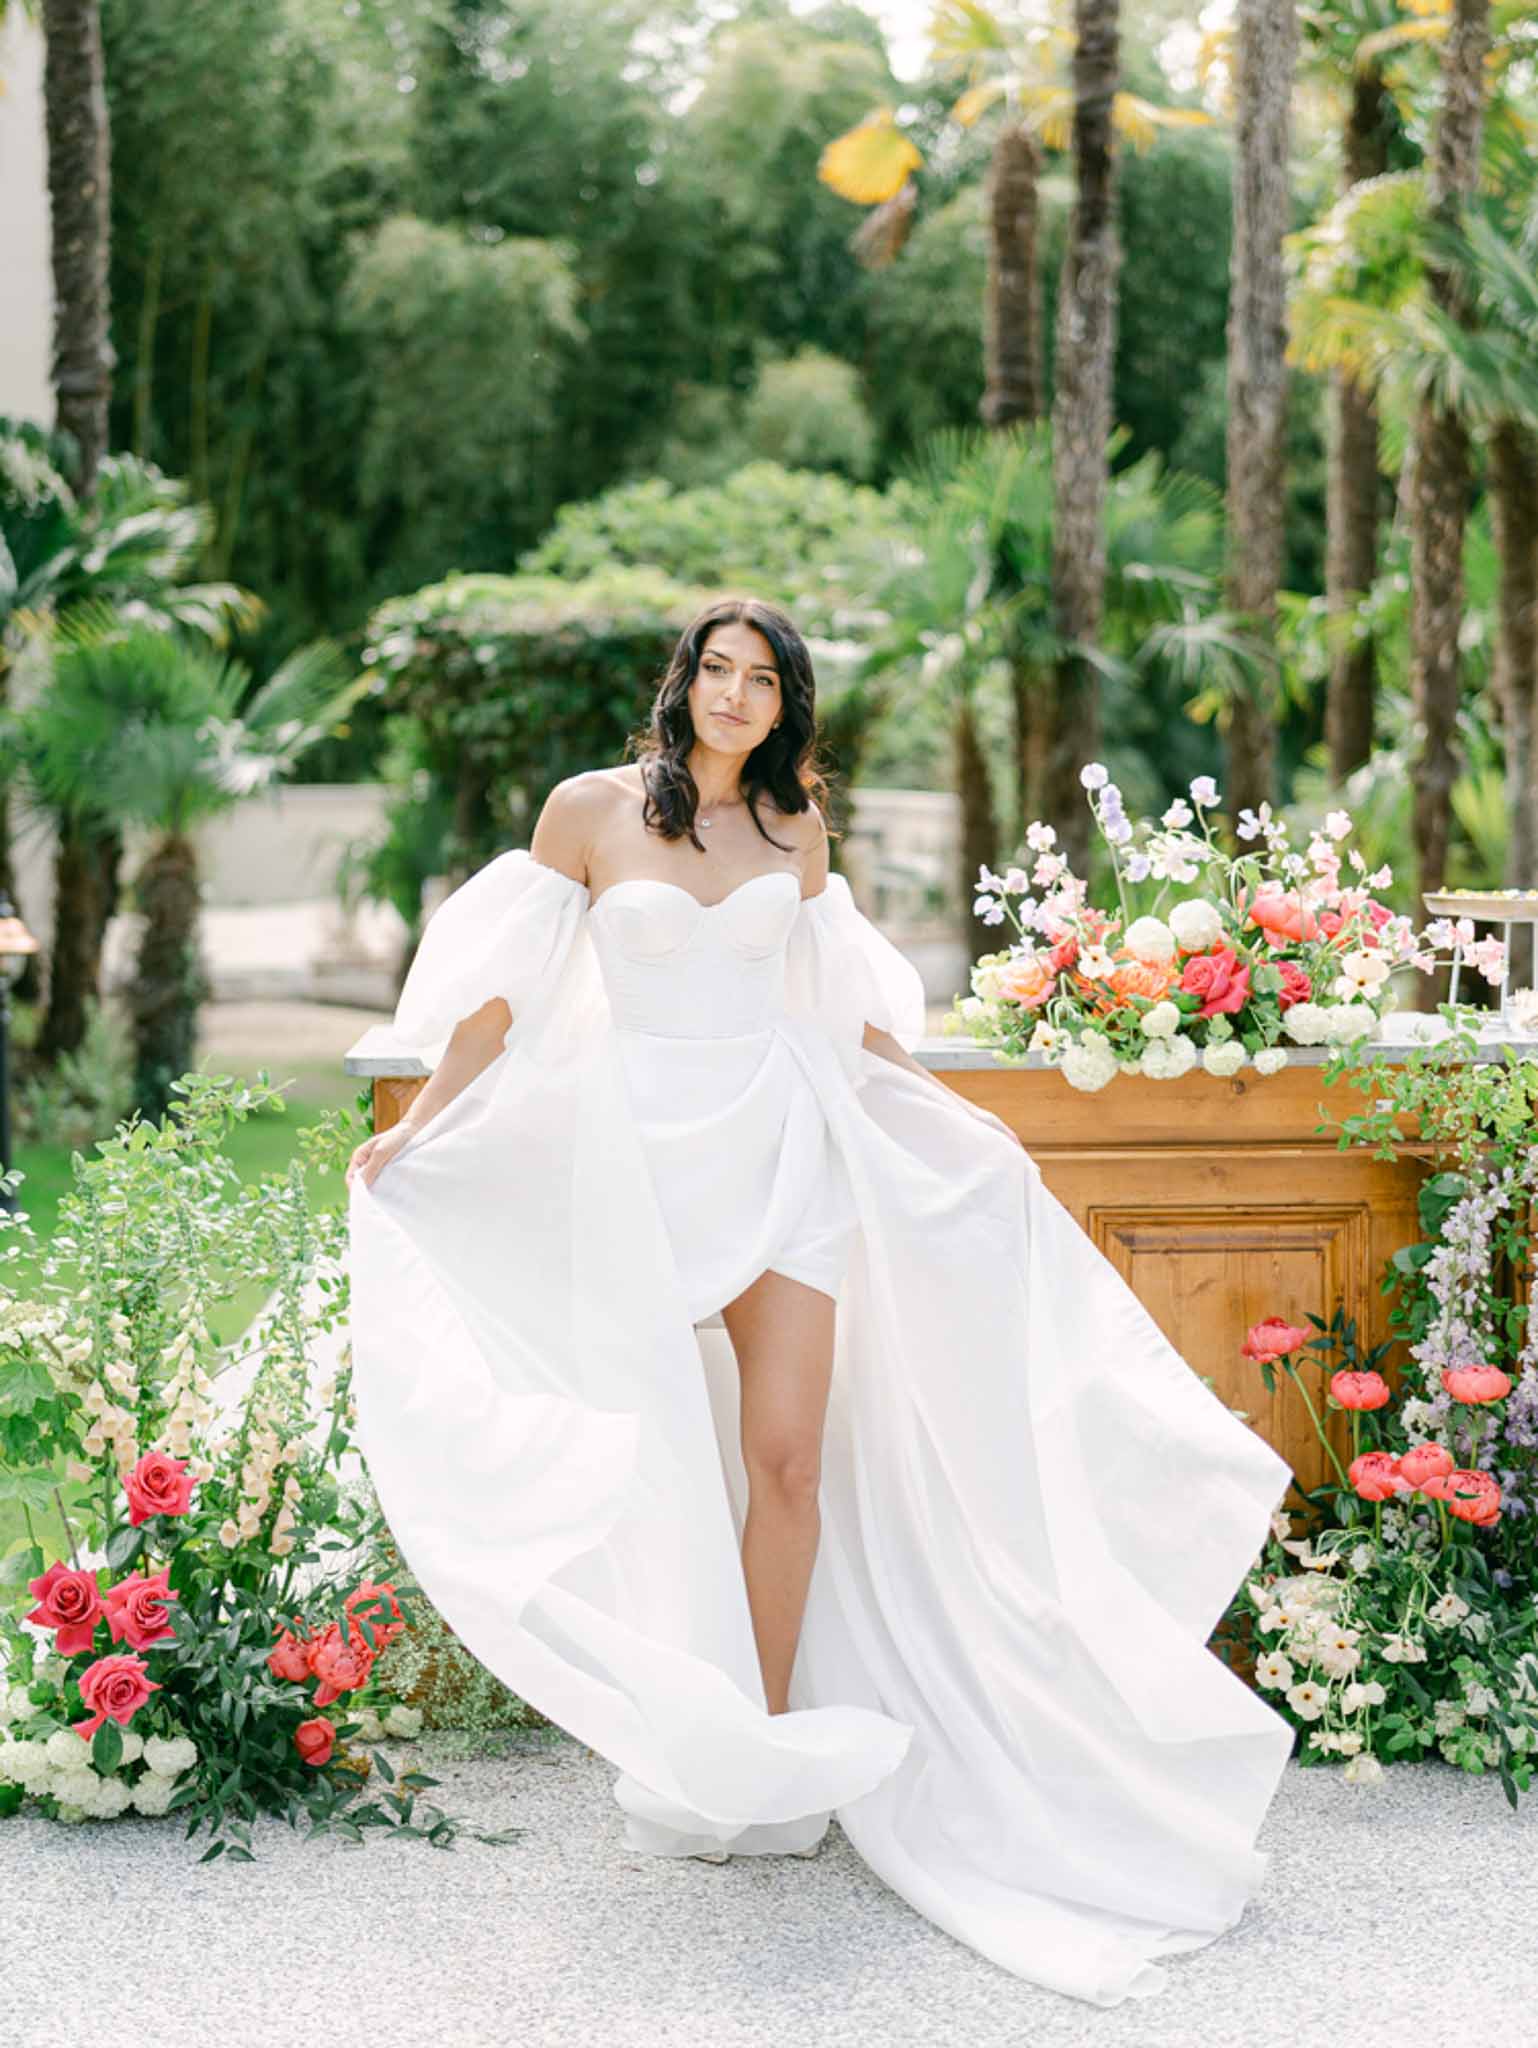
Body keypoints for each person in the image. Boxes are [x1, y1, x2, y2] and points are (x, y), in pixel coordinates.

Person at [345, 595, 1295, 2008]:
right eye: (715, 671)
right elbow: (500, 1004)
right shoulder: (590, 815)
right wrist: (416, 1131)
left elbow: (835, 1009)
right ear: (683, 685)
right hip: (634, 1173)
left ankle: (765, 1756)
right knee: (640, 1452)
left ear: (787, 704)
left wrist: (944, 1115)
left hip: (782, 1156)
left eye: (761, 679)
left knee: (784, 1460)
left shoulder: (796, 832)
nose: (734, 696)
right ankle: (673, 1727)